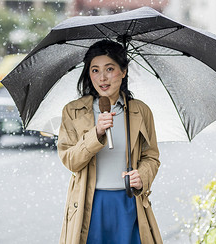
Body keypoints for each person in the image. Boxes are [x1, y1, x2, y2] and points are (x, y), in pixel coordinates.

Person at [57, 39, 162, 244]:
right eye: (95, 70)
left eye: (110, 69)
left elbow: (151, 156)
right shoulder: (73, 111)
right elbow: (70, 160)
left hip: (129, 204)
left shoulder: (140, 111)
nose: (102, 77)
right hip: (90, 205)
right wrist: (95, 134)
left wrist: (142, 176)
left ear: (123, 72)